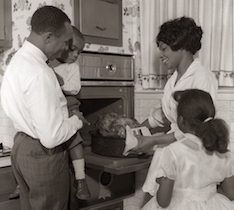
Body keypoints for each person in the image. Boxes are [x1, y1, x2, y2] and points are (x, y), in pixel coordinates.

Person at [1, 6, 84, 210]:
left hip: (21, 147)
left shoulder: (17, 61)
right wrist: (76, 120)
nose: (66, 48)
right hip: (43, 153)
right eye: (65, 42)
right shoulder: (40, 72)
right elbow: (51, 137)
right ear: (48, 37)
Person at [130, 16, 218, 196]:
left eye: (164, 49)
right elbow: (164, 114)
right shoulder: (173, 80)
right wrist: (139, 127)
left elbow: (194, 130)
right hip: (173, 150)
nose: (161, 54)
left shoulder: (202, 78)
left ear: (182, 47)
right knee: (161, 200)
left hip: (193, 156)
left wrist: (153, 140)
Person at [142, 89, 234, 210]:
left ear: (180, 120)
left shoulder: (172, 152)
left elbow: (163, 202)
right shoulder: (222, 152)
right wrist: (206, 197)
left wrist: (162, 184)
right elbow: (230, 194)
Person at [51, 26, 91, 200]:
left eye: (79, 52)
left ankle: (81, 181)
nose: (76, 55)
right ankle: (20, 183)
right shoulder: (46, 63)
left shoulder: (72, 67)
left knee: (75, 141)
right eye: (73, 49)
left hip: (69, 107)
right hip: (52, 109)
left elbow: (74, 89)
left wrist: (57, 81)